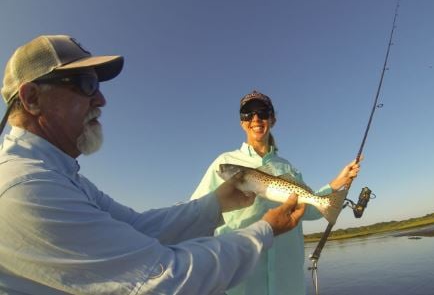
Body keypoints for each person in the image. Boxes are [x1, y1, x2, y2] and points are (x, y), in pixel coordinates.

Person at [0, 35, 306, 295]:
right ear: (32, 98)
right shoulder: (29, 187)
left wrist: (216, 203)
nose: (101, 100)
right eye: (85, 84)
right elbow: (163, 278)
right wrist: (266, 230)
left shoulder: (62, 175)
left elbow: (139, 227)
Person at [191, 90, 361, 295]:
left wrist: (337, 183)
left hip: (289, 284)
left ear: (272, 119)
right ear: (241, 121)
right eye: (248, 112)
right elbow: (195, 216)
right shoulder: (223, 163)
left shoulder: (288, 168)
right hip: (242, 284)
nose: (255, 118)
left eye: (262, 112)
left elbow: (309, 211)